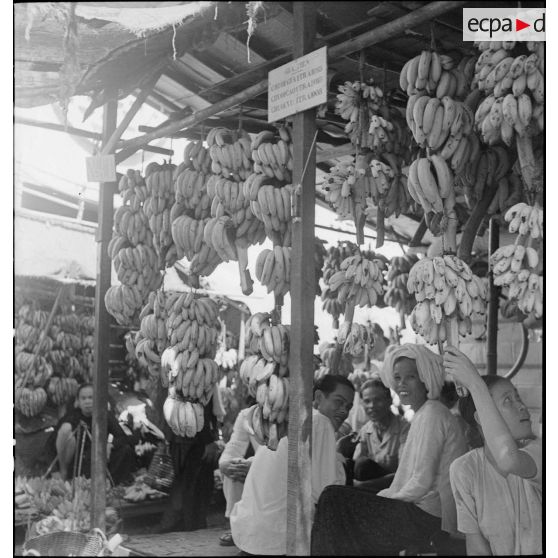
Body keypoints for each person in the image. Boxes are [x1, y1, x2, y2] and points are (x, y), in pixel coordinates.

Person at [311, 344, 468, 556]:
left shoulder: (432, 414)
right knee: (339, 498)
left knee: (333, 498)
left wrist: (382, 499)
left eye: (410, 377)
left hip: (429, 517)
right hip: (421, 510)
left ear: (425, 379)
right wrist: (380, 496)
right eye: (398, 378)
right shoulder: (425, 413)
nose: (402, 384)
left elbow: (421, 482)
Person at [230, 374, 354, 555]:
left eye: (348, 407)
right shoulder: (320, 421)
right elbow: (327, 492)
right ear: (318, 398)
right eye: (339, 402)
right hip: (279, 539)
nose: (344, 411)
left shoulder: (294, 419)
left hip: (253, 534)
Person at [444, 346, 542, 555]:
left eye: (518, 398)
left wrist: (474, 383)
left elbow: (509, 459)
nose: (522, 407)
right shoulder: (464, 469)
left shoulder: (539, 451)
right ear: (482, 418)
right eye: (508, 401)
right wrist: (475, 384)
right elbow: (476, 547)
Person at [151, 398, 221, 533]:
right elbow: (200, 408)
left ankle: (180, 524)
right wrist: (208, 440)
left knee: (183, 485)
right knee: (195, 488)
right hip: (195, 441)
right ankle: (191, 526)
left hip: (179, 438)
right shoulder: (197, 381)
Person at [53, 383, 135, 485]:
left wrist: (110, 445)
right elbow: (52, 444)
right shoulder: (71, 417)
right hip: (78, 462)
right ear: (78, 401)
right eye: (83, 398)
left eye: (91, 398)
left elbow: (125, 438)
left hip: (101, 457)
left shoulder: (105, 415)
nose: (87, 401)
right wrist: (56, 470)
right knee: (65, 429)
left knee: (125, 449)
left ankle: (112, 483)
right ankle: (66, 475)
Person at [338, 375, 409, 490]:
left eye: (378, 400)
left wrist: (363, 486)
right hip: (368, 489)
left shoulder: (405, 429)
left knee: (363, 465)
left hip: (396, 491)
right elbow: (356, 463)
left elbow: (405, 475)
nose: (372, 406)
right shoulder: (366, 430)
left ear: (389, 401)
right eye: (367, 401)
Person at [217, 404, 262, 546]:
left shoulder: (291, 413)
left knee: (243, 466)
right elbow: (234, 446)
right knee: (235, 467)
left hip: (283, 471)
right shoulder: (247, 415)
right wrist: (224, 464)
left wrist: (255, 465)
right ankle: (235, 526)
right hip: (259, 468)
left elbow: (283, 453)